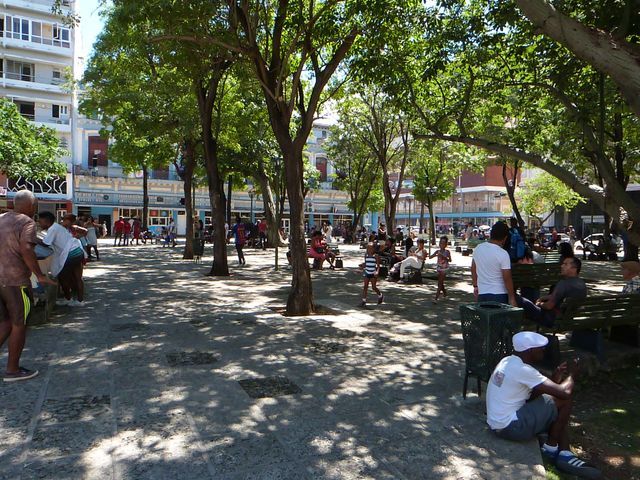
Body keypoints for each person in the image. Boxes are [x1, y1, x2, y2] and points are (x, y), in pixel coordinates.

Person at [487, 331, 600, 479]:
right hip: (511, 427)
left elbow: (532, 396)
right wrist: (572, 374)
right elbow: (564, 393)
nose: (543, 350)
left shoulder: (508, 361)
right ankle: (552, 448)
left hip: (498, 423)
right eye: (540, 348)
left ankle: (564, 451)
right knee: (564, 401)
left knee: (553, 402)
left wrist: (555, 378)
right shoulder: (524, 370)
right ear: (530, 351)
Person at [0, 191, 54, 382]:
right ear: (31, 205)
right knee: (19, 324)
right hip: (15, 281)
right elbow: (26, 249)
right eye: (35, 205)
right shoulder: (26, 222)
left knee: (5, 322)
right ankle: (13, 369)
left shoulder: (1, 218)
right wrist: (39, 275)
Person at [517, 257, 587, 327]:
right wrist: (544, 298)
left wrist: (539, 304)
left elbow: (548, 306)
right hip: (567, 318)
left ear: (574, 269)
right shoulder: (581, 283)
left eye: (565, 264)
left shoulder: (563, 284)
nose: (561, 266)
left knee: (521, 301)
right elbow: (563, 295)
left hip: (552, 319)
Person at [38, 212, 87, 307]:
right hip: (78, 250)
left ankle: (68, 298)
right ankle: (80, 301)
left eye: (40, 222)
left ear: (46, 221)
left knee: (62, 277)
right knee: (78, 278)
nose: (39, 224)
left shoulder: (53, 229)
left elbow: (46, 243)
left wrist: (32, 239)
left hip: (70, 254)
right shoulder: (57, 226)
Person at [471, 221, 517, 306]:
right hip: (500, 294)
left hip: (482, 293)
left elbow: (473, 269)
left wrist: (475, 286)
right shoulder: (503, 254)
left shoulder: (478, 249)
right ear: (505, 238)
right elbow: (507, 278)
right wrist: (512, 298)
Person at [360, 243, 383, 307]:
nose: (368, 250)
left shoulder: (376, 256)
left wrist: (377, 272)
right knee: (365, 287)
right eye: (367, 248)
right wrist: (362, 266)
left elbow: (378, 266)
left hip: (373, 273)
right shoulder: (366, 255)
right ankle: (363, 301)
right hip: (367, 272)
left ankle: (380, 295)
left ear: (373, 249)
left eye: (370, 248)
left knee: (373, 287)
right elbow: (366, 263)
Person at [430, 236, 452, 303]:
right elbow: (430, 257)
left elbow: (450, 260)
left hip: (445, 268)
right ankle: (445, 293)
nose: (441, 244)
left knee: (440, 283)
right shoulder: (438, 251)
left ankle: (436, 298)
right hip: (439, 268)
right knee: (440, 282)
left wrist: (443, 257)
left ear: (446, 244)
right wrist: (434, 255)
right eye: (440, 243)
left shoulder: (447, 252)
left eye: (443, 243)